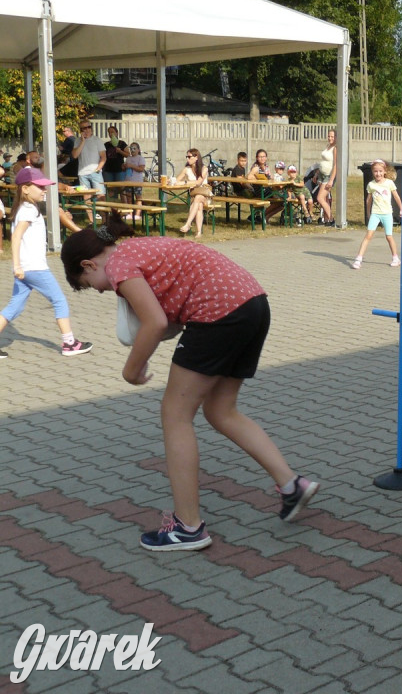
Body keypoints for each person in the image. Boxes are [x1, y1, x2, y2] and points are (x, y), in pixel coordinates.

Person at [60, 216, 320, 551]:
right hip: (253, 304)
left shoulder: (118, 265)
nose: (101, 290)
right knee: (221, 410)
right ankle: (292, 486)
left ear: (87, 264)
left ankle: (188, 528)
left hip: (218, 314)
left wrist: (131, 370)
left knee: (175, 414)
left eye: (89, 283)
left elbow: (154, 322)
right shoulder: (137, 248)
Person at [0, 168, 92, 360]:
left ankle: (69, 342)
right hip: (34, 267)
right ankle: (69, 343)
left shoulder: (26, 208)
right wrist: (16, 265)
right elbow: (16, 237)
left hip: (26, 268)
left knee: (15, 307)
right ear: (25, 189)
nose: (44, 190)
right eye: (40, 187)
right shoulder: (28, 209)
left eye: (45, 186)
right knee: (59, 301)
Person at [352, 159, 402, 269]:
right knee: (368, 236)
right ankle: (359, 259)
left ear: (384, 171)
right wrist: (369, 213)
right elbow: (368, 201)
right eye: (375, 171)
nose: (378, 173)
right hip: (375, 213)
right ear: (372, 172)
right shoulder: (371, 185)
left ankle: (395, 258)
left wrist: (401, 209)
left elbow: (396, 197)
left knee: (389, 237)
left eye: (380, 171)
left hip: (387, 213)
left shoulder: (389, 183)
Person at [71, 118, 106, 203]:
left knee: (101, 195)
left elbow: (103, 157)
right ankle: (91, 216)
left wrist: (98, 169)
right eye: (84, 128)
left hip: (95, 172)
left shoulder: (97, 140)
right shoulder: (77, 141)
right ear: (80, 130)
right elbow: (75, 155)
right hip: (83, 173)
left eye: (88, 127)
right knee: (86, 197)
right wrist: (83, 141)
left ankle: (104, 216)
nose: (87, 130)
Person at [247, 149, 284, 220]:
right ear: (257, 158)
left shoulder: (266, 167)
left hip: (267, 189)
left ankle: (266, 217)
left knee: (282, 203)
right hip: (261, 191)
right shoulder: (256, 167)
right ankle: (263, 215)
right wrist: (258, 179)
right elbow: (249, 176)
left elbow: (270, 177)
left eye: (264, 156)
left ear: (266, 157)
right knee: (280, 200)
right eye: (260, 157)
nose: (262, 158)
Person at [316, 129, 338, 226]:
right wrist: (317, 173)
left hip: (329, 175)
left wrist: (331, 180)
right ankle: (326, 218)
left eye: (332, 136)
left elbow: (335, 165)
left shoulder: (335, 148)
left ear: (336, 137)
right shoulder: (328, 146)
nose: (330, 138)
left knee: (320, 198)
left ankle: (331, 218)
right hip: (321, 174)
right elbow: (323, 161)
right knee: (324, 199)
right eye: (329, 136)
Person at [122, 142, 146, 210]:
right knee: (129, 197)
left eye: (134, 148)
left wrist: (132, 166)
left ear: (138, 150)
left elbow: (141, 169)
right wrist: (124, 167)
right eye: (131, 148)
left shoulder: (140, 158)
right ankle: (130, 213)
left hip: (137, 182)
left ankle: (138, 214)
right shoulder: (128, 158)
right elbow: (125, 170)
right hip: (128, 181)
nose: (132, 150)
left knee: (138, 198)